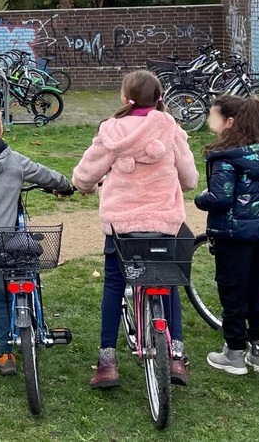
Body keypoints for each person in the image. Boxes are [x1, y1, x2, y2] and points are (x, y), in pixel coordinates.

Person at [72, 70, 199, 388]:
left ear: (125, 98)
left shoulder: (111, 131)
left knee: (114, 285)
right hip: (163, 224)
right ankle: (177, 356)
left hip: (122, 227)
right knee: (168, 284)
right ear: (159, 99)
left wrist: (84, 184)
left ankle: (107, 362)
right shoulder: (171, 128)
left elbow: (86, 174)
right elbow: (190, 179)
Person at [0, 102, 71, 378]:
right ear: (2, 128)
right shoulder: (16, 161)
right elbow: (46, 175)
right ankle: (5, 353)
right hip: (4, 243)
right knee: (2, 297)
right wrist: (64, 185)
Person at [195, 96, 259, 376]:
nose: (209, 121)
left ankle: (234, 352)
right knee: (255, 287)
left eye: (212, 116)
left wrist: (202, 199)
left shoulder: (225, 157)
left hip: (232, 232)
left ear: (230, 122)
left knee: (231, 289)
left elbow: (220, 199)